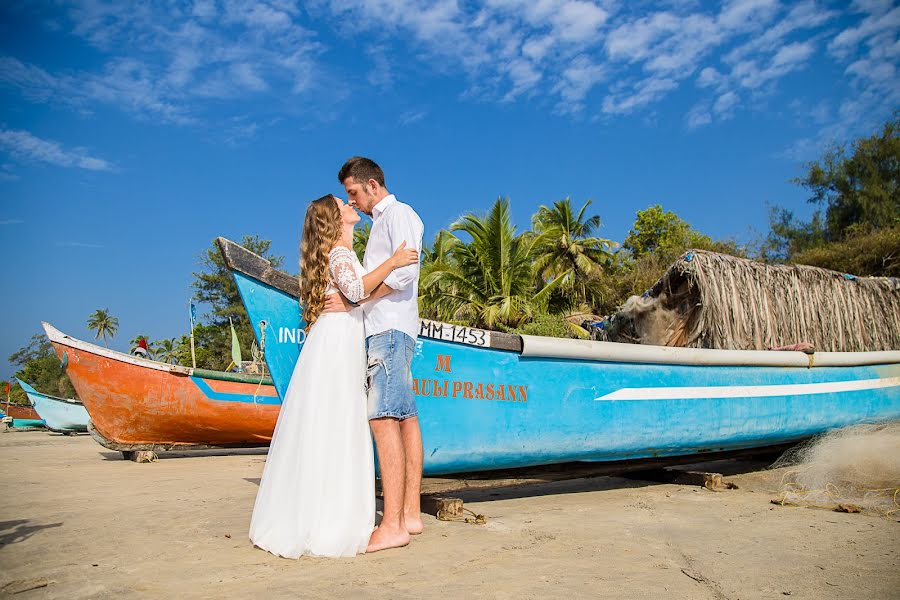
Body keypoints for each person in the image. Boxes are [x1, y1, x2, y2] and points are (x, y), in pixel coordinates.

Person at [249, 194, 418, 559]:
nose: (350, 205)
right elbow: (356, 290)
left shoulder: (342, 253)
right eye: (344, 203)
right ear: (333, 219)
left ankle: (330, 507)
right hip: (338, 340)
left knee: (335, 422)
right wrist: (394, 261)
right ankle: (332, 515)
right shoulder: (340, 253)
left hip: (339, 337)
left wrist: (356, 296)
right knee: (339, 421)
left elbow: (354, 294)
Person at [325, 156, 425, 553]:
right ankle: (411, 514)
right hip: (391, 330)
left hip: (389, 329)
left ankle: (392, 525)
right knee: (405, 418)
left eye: (353, 192)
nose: (353, 201)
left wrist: (357, 302)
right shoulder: (383, 223)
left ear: (371, 185)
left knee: (384, 418)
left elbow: (404, 274)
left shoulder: (398, 214)